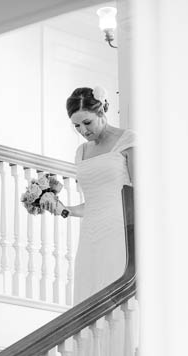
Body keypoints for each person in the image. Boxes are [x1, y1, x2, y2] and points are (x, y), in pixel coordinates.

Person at [50, 86, 136, 303]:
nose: (83, 131)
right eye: (76, 126)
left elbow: (141, 193)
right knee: (88, 293)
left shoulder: (127, 140)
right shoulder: (81, 152)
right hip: (90, 235)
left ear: (101, 111)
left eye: (87, 122)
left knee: (114, 293)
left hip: (119, 230)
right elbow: (93, 202)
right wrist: (65, 209)